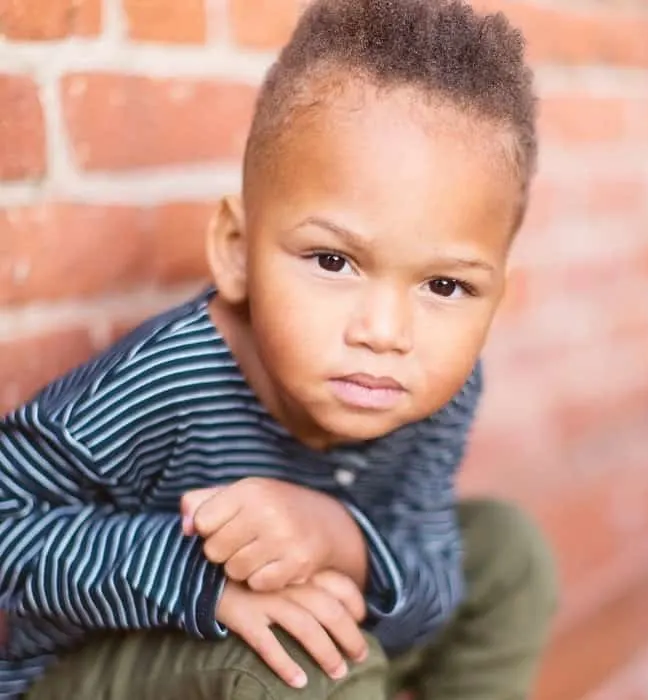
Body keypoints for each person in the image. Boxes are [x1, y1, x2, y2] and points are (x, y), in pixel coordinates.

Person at [0, 1, 558, 698]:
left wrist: (343, 540)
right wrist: (207, 585)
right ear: (237, 252)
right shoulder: (167, 380)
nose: (385, 332)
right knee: (310, 658)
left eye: (444, 285)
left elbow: (430, 568)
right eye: (332, 261)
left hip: (330, 642)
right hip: (105, 673)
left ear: (495, 296)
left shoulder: (437, 387)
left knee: (507, 554)